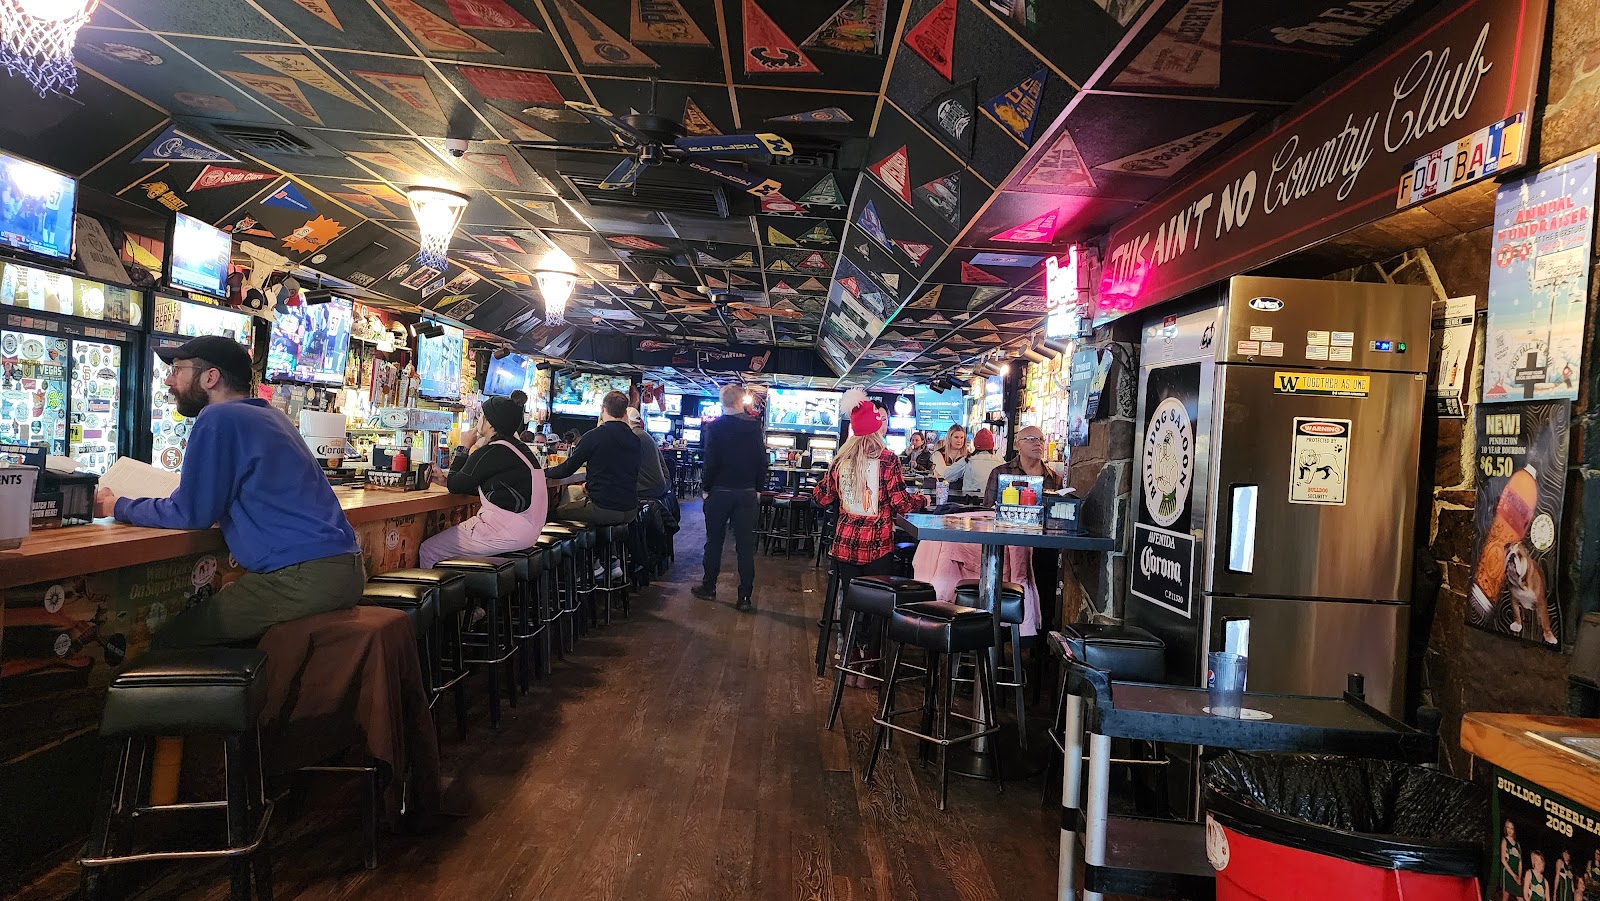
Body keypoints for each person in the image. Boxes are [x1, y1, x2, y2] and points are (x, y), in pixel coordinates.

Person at [93, 336, 364, 648]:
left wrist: (115, 505)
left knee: (168, 641)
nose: (168, 379)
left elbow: (190, 513)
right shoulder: (270, 415)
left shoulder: (218, 417)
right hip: (344, 571)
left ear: (211, 377)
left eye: (177, 369)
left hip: (304, 578)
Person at [813, 389, 928, 665]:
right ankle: (871, 661)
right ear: (877, 429)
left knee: (852, 601)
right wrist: (922, 499)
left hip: (844, 547)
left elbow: (821, 496)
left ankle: (849, 657)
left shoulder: (841, 460)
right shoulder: (888, 459)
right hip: (877, 547)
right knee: (877, 605)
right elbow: (902, 504)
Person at [419, 395, 547, 568]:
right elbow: (490, 487)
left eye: (481, 416)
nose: (478, 420)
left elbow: (456, 486)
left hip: (506, 532)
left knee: (430, 550)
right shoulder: (520, 449)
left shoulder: (491, 451)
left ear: (490, 423)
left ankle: (449, 594)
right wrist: (445, 480)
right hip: (529, 532)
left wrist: (463, 446)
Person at [693, 383, 767, 611]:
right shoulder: (754, 427)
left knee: (714, 541)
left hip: (720, 491)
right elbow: (762, 462)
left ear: (723, 402)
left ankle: (709, 587)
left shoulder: (715, 427)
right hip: (746, 493)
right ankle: (744, 597)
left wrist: (705, 489)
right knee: (745, 547)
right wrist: (757, 488)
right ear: (739, 401)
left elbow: (710, 461)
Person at [544, 390, 640, 526]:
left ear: (602, 409)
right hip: (630, 510)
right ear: (625, 412)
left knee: (553, 514)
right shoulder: (635, 439)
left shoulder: (593, 436)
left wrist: (543, 472)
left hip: (603, 509)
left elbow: (566, 470)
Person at [625, 407, 669, 502]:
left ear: (626, 420)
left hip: (649, 489)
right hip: (659, 486)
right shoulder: (643, 434)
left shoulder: (634, 436)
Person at [944, 428, 1003, 498]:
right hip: (993, 504)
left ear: (975, 444)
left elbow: (947, 475)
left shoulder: (967, 460)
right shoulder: (1001, 462)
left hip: (971, 504)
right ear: (992, 445)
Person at [1499, 820, 1523, 901]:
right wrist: (1513, 875)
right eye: (1507, 827)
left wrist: (1519, 876)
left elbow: (1520, 862)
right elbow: (1503, 860)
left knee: (1520, 896)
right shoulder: (1504, 841)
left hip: (1516, 874)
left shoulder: (1518, 845)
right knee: (1505, 897)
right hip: (1507, 873)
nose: (1509, 830)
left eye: (1511, 828)